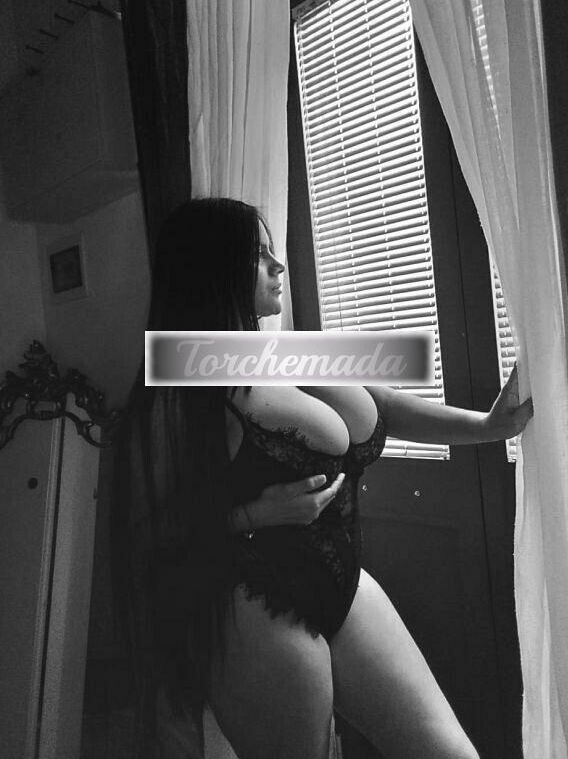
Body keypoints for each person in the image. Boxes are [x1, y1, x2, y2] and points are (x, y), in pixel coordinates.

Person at [112, 197, 532, 759]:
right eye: (258, 255)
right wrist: (256, 515)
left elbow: (384, 405)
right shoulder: (177, 382)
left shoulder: (289, 351)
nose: (278, 266)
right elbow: (143, 535)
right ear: (212, 268)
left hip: (341, 581)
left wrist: (488, 427)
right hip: (253, 602)